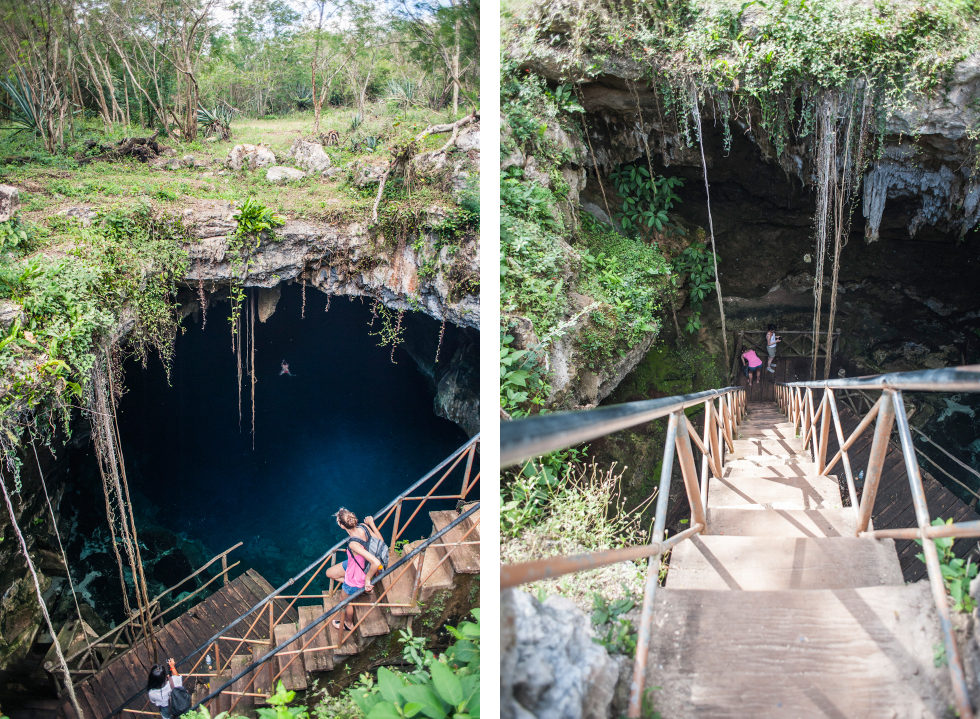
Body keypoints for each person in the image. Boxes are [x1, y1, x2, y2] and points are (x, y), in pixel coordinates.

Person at [325, 508, 384, 633]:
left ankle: (348, 624)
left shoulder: (353, 544)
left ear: (342, 526)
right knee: (329, 573)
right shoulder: (363, 527)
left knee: (345, 600)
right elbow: (381, 542)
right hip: (353, 565)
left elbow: (376, 562)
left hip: (357, 575)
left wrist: (367, 579)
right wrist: (372, 524)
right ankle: (361, 590)